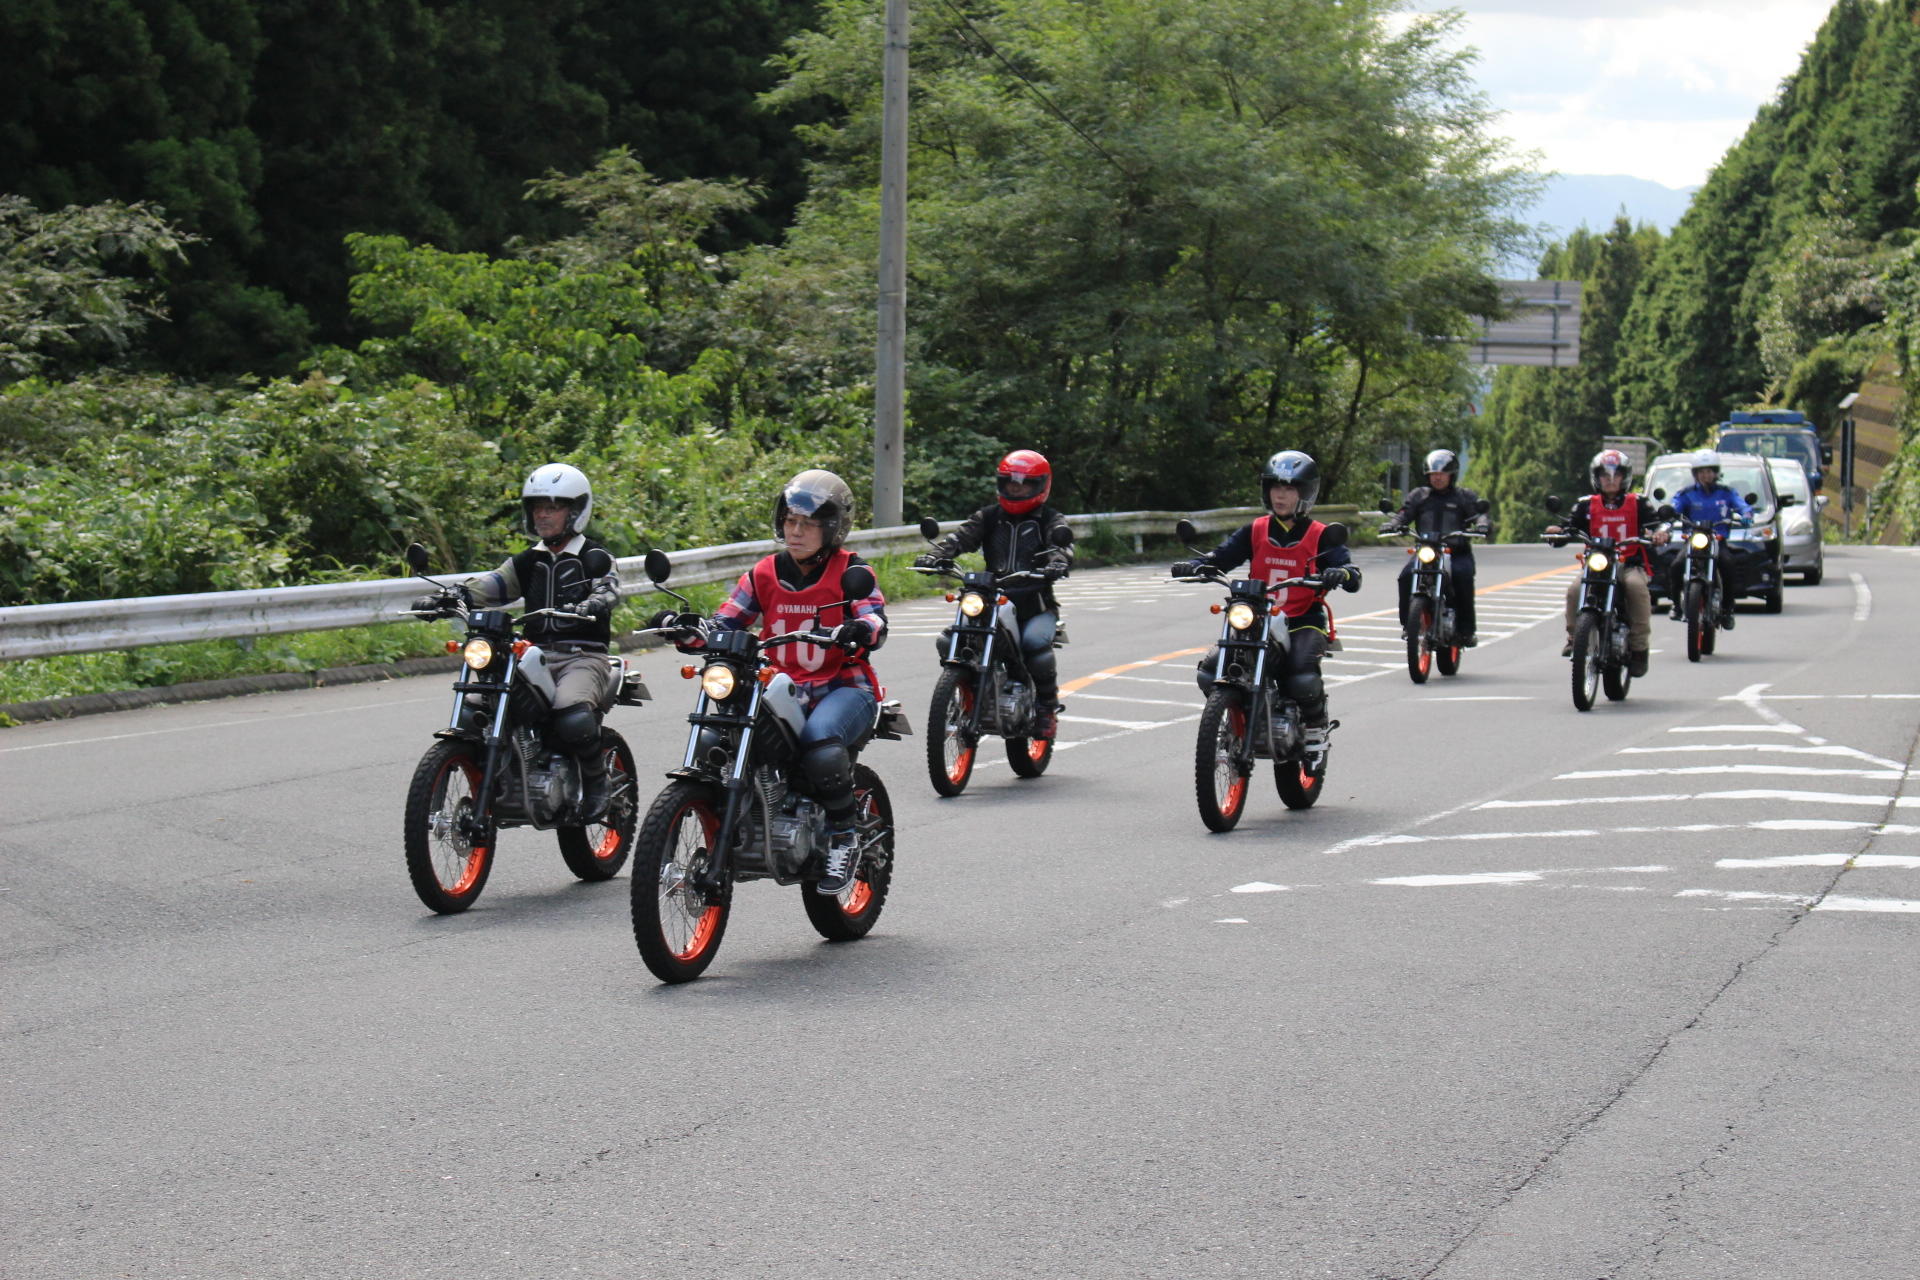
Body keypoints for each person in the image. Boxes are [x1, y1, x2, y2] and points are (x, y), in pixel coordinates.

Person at [658, 470, 887, 894]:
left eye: (809, 523)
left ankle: (843, 835)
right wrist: (687, 628)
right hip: (781, 686)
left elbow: (873, 615)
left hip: (842, 687)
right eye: (790, 521)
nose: (796, 531)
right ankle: (736, 823)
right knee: (714, 739)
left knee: (820, 746)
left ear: (832, 527)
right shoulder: (765, 572)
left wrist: (862, 629)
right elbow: (727, 619)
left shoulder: (851, 571)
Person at [414, 462, 621, 818]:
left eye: (552, 507)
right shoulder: (527, 561)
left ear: (575, 511)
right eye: (537, 507)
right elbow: (492, 585)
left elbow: (609, 589)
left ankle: (597, 782)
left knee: (571, 716)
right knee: (477, 706)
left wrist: (595, 601)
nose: (542, 515)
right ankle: (501, 778)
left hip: (582, 656)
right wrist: (452, 597)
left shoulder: (595, 558)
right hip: (535, 653)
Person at [1171, 449, 1361, 767]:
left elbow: (1348, 568)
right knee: (1210, 670)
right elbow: (1222, 557)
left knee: (1300, 678)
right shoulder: (1256, 529)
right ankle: (1237, 715)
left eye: (1288, 488)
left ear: (1304, 493)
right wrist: (1197, 566)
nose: (1280, 495)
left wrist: (1342, 572)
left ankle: (1314, 733)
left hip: (1303, 620)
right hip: (1257, 617)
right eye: (1275, 487)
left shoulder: (1321, 535)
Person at [913, 449, 1074, 739]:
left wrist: (1058, 562)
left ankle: (1046, 709)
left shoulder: (1049, 519)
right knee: (949, 638)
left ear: (1040, 485)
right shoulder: (988, 516)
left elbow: (1061, 545)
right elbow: (960, 538)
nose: (1015, 488)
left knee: (1034, 645)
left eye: (1023, 484)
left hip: (1033, 605)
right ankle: (967, 685)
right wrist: (935, 556)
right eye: (1010, 483)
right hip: (990, 598)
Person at [1544, 449, 1667, 676]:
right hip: (1596, 562)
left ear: (1625, 477)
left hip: (1629, 562)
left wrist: (1659, 533)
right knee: (1574, 590)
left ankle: (1639, 647)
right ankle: (1574, 637)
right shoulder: (1585, 504)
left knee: (1637, 588)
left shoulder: (1638, 502)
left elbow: (1656, 524)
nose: (1610, 480)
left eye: (1615, 475)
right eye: (1604, 475)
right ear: (1596, 478)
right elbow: (1571, 526)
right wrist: (1558, 532)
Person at [1381, 448, 1488, 646]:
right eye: (1433, 474)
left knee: (1462, 577)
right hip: (1427, 550)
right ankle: (1409, 626)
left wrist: (1482, 524)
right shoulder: (1419, 496)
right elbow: (1403, 513)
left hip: (1456, 552)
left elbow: (1478, 514)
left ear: (1451, 475)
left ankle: (1466, 631)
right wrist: (1392, 524)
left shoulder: (1464, 496)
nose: (1437, 478)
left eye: (1441, 473)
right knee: (1405, 577)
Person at [1662, 449, 1754, 628]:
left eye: (1709, 471)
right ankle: (1675, 604)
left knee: (1728, 564)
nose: (1706, 475)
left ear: (1716, 473)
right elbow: (1675, 509)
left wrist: (1747, 514)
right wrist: (1669, 517)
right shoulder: (1686, 494)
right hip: (1693, 540)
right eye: (1702, 472)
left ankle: (1728, 609)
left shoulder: (1726, 493)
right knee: (1676, 566)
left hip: (1717, 540)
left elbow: (1742, 506)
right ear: (1695, 474)